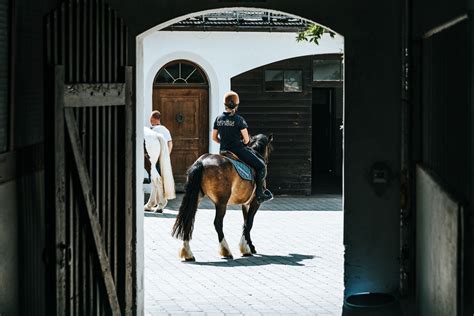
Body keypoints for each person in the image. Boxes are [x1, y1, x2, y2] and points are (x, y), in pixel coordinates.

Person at [212, 91, 273, 203]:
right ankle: (259, 194)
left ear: (225, 104)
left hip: (223, 151)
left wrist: (224, 142)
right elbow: (247, 140)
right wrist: (244, 143)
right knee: (261, 166)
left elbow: (214, 138)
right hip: (238, 150)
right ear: (236, 105)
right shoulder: (239, 119)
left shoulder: (218, 119)